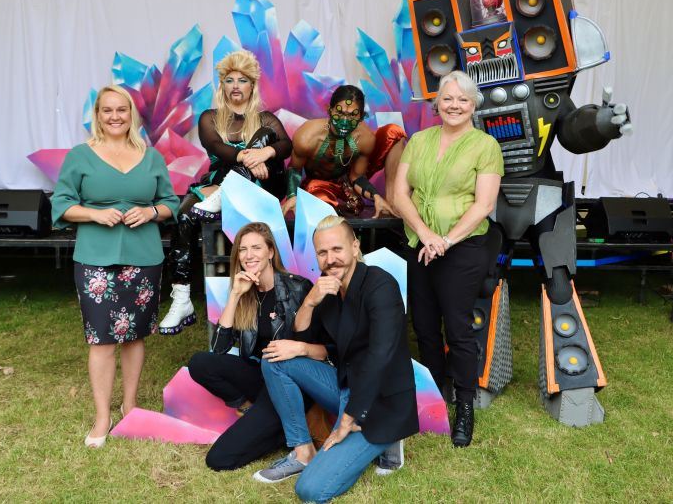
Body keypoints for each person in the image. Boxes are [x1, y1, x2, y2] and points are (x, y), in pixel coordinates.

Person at [254, 216, 418, 503]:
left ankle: (387, 440)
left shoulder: (380, 286)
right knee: (275, 358)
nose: (330, 259)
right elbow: (303, 339)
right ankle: (303, 450)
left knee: (310, 490)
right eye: (322, 252)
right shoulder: (328, 290)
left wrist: (346, 421)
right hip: (344, 385)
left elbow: (380, 357)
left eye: (337, 249)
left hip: (377, 401)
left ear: (355, 247)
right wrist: (310, 301)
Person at [51, 85, 180, 448]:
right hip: (95, 257)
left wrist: (153, 211)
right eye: (107, 110)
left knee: (135, 335)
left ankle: (131, 404)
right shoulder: (80, 155)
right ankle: (102, 416)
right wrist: (93, 213)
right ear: (97, 115)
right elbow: (61, 204)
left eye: (121, 110)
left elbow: (170, 201)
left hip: (144, 256)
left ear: (131, 114)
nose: (115, 117)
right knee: (102, 338)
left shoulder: (151, 156)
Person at [392, 70, 503, 448]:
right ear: (436, 103)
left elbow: (484, 204)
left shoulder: (485, 145)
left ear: (473, 105)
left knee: (457, 328)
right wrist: (425, 234)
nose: (454, 105)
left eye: (463, 100)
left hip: (465, 246)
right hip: (419, 242)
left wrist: (446, 240)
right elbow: (399, 192)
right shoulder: (419, 141)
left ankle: (465, 405)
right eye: (448, 98)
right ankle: (434, 394)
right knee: (422, 323)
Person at [159, 50, 293, 334]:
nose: (235, 86)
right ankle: (181, 298)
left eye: (242, 80)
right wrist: (248, 159)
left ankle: (226, 191)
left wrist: (264, 153)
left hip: (266, 183)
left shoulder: (265, 118)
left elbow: (286, 147)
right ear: (223, 85)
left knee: (265, 135)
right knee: (184, 216)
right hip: (222, 176)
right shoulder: (210, 118)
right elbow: (216, 147)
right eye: (229, 80)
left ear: (251, 86)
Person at [187, 222, 325, 470]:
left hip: (290, 384)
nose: (249, 255)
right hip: (260, 375)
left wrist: (296, 349)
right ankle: (253, 410)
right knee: (200, 363)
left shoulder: (298, 288)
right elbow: (219, 349)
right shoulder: (245, 291)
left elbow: (321, 350)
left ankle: (281, 430)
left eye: (256, 248)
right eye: (242, 250)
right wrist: (235, 295)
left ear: (271, 252)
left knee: (219, 459)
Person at [281, 85, 405, 218]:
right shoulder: (307, 137)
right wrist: (292, 196)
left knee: (394, 132)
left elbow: (357, 176)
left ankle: (392, 205)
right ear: (330, 110)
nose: (345, 122)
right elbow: (294, 168)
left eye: (352, 115)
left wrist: (376, 197)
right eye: (340, 113)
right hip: (317, 185)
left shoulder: (364, 138)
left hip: (347, 183)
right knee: (321, 199)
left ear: (361, 117)